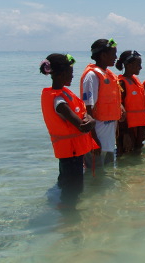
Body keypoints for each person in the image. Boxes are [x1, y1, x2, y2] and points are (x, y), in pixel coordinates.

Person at [40, 53, 98, 207]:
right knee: (73, 190)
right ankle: (69, 218)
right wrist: (92, 120)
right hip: (71, 152)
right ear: (61, 74)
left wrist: (87, 116)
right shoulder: (59, 101)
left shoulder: (63, 93)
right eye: (70, 74)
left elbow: (80, 111)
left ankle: (66, 215)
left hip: (70, 152)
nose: (72, 77)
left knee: (66, 182)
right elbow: (82, 126)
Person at [80, 39, 124, 167]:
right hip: (97, 139)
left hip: (108, 140)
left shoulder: (108, 74)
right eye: (113, 54)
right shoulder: (92, 76)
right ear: (103, 55)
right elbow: (87, 109)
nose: (116, 57)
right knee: (94, 177)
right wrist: (94, 139)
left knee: (107, 177)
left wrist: (120, 107)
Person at [116, 50, 145, 156]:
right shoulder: (121, 83)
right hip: (128, 129)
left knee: (136, 157)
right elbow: (120, 110)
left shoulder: (136, 80)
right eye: (138, 64)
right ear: (129, 65)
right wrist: (125, 134)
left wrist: (144, 127)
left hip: (139, 127)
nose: (141, 67)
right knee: (125, 156)